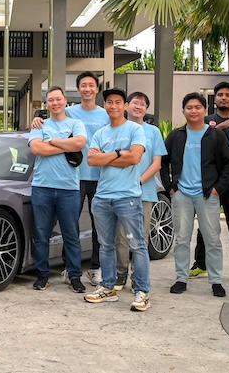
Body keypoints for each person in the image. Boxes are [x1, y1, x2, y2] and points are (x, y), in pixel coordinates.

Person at [163, 93, 229, 298]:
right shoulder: (176, 135)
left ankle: (216, 281)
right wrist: (170, 187)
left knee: (212, 239)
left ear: (205, 110)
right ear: (183, 111)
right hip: (181, 195)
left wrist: (217, 189)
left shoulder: (215, 135)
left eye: (197, 107)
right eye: (189, 107)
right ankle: (181, 278)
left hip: (207, 195)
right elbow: (163, 162)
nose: (193, 111)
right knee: (181, 239)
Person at [83, 88, 150, 312]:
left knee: (137, 245)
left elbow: (135, 157)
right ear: (105, 106)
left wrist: (107, 156)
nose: (113, 106)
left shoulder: (134, 129)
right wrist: (120, 153)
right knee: (106, 246)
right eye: (109, 102)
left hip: (127, 198)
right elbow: (92, 160)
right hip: (102, 198)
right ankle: (107, 287)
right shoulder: (100, 133)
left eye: (118, 102)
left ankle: (142, 291)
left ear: (125, 106)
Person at [27, 86, 87, 293]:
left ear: (65, 101)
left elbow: (79, 143)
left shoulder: (75, 123)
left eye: (58, 99)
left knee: (71, 235)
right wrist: (65, 145)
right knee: (41, 234)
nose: (55, 103)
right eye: (51, 100)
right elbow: (37, 148)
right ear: (47, 103)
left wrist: (51, 141)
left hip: (69, 188)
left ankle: (74, 276)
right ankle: (42, 275)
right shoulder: (40, 124)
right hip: (42, 187)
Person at [112, 91, 166, 291]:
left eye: (143, 104)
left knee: (140, 238)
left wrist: (138, 181)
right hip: (120, 191)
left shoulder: (153, 132)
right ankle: (120, 274)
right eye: (135, 102)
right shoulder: (118, 128)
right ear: (127, 106)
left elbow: (157, 163)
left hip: (145, 192)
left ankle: (138, 277)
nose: (138, 106)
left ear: (146, 109)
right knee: (120, 237)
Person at [190, 81, 229, 280]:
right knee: (206, 225)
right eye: (220, 94)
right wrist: (220, 127)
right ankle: (200, 264)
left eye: (228, 95)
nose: (223, 98)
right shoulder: (206, 120)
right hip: (210, 180)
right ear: (215, 98)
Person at [65, 72, 110, 285]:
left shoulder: (105, 114)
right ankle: (69, 267)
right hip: (74, 176)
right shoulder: (69, 112)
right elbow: (51, 124)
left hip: (100, 176)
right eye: (83, 85)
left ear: (97, 89)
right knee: (70, 223)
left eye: (91, 85)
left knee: (98, 224)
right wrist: (37, 119)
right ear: (78, 89)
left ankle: (95, 267)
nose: (87, 89)